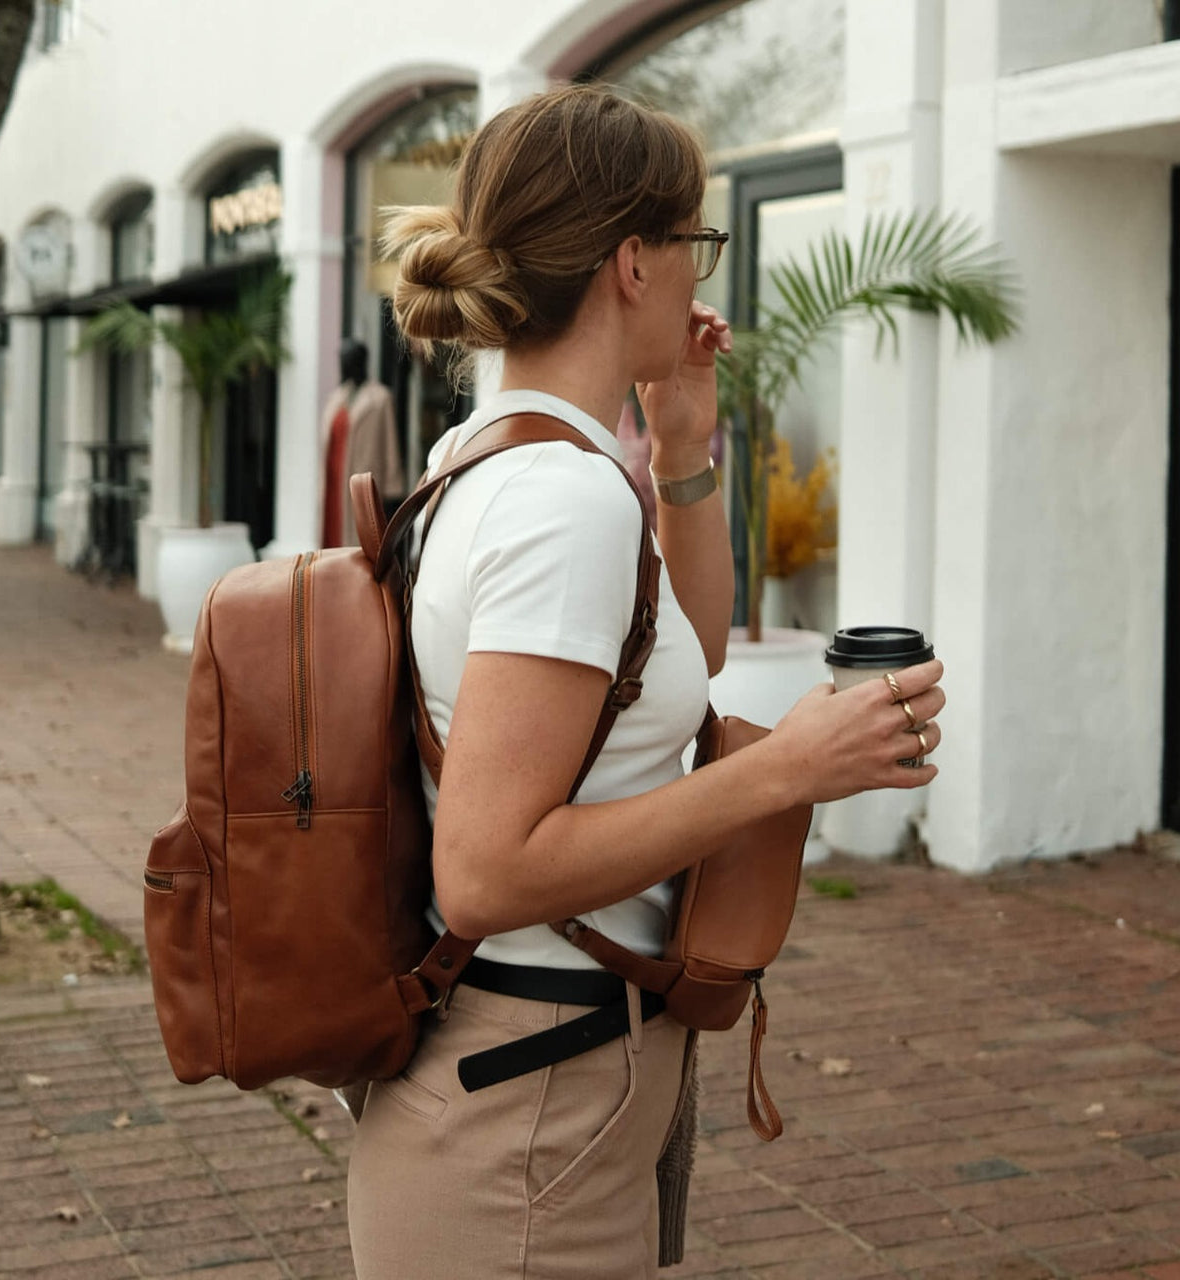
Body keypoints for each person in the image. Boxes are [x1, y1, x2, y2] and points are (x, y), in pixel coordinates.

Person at [346, 84, 945, 1279]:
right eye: (693, 241)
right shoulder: (556, 497)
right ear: (632, 260)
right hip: (525, 1111)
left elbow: (677, 657)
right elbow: (483, 871)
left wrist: (679, 447)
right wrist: (787, 767)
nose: (696, 271)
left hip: (545, 1077)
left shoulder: (494, 455)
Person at [319, 339, 404, 547]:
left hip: (364, 483)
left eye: (348, 360)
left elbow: (390, 446)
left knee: (361, 545)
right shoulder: (336, 399)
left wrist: (393, 490)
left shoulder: (381, 398)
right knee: (333, 541)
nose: (344, 365)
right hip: (335, 483)